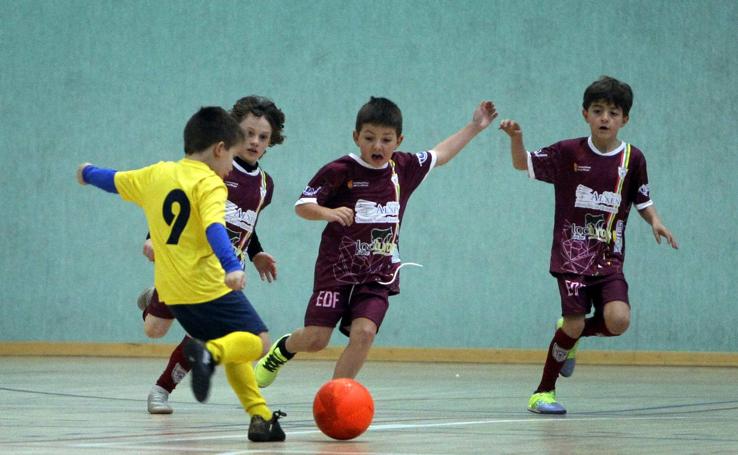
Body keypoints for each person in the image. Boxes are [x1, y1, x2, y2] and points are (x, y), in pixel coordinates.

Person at [253, 96, 498, 387]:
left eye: (386, 139)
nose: (377, 146)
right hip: (337, 269)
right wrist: (328, 212)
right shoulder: (339, 171)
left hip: (378, 273)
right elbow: (302, 206)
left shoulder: (404, 168)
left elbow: (440, 154)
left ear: (398, 140)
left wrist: (474, 127)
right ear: (356, 137)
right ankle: (282, 351)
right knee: (316, 339)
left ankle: (335, 396)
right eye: (369, 138)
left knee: (365, 333)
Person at [76, 106, 286, 442]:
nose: (231, 165)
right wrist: (233, 267)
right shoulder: (213, 184)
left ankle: (260, 418)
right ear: (219, 149)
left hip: (173, 291)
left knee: (234, 343)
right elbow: (216, 229)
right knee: (257, 342)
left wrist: (88, 172)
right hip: (208, 285)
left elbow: (114, 180)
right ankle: (209, 354)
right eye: (230, 156)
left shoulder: (158, 173)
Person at [499, 76, 678, 415]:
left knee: (618, 321)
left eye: (613, 112)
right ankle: (542, 393)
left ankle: (572, 338)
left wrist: (655, 220)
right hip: (571, 258)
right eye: (598, 111)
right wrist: (517, 138)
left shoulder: (633, 159)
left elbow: (641, 198)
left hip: (609, 260)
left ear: (625, 119)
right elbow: (522, 163)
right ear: (585, 114)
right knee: (575, 321)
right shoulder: (569, 152)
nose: (605, 118)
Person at [136, 96, 285, 415]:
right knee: (154, 330)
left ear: (271, 142)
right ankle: (153, 301)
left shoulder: (264, 186)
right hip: (186, 265)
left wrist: (256, 253)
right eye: (249, 134)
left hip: (223, 276)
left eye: (263, 137)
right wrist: (153, 239)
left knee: (203, 336)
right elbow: (175, 204)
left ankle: (161, 389)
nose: (255, 142)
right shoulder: (212, 169)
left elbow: (247, 223)